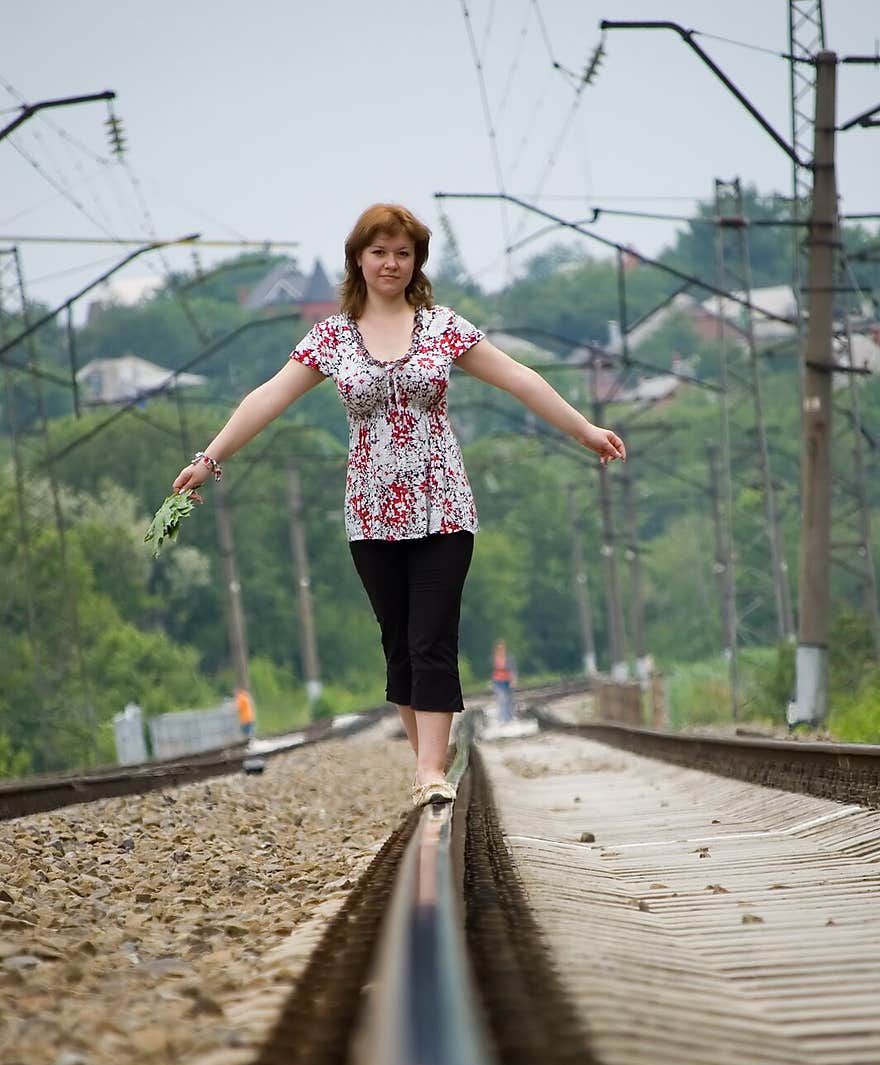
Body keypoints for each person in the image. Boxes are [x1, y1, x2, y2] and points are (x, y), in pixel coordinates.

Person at [172, 203, 625, 807]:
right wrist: (208, 458)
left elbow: (519, 377)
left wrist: (584, 430)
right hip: (371, 513)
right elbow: (268, 398)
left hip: (443, 507)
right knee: (398, 643)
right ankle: (431, 757)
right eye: (380, 251)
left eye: (403, 253)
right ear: (359, 258)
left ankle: (430, 772)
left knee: (432, 637)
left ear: (417, 263)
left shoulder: (442, 327)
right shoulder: (332, 338)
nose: (391, 263)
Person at [491, 640, 516, 724]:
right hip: (498, 682)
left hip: (507, 681)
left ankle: (509, 718)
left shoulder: (509, 658)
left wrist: (514, 680)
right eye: (499, 648)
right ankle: (502, 718)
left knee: (509, 700)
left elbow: (513, 670)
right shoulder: (494, 658)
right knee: (502, 699)